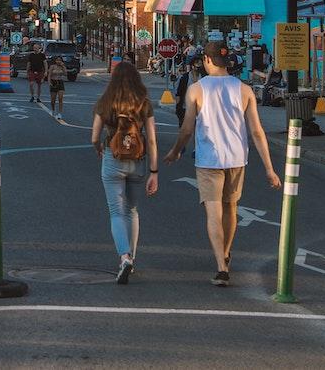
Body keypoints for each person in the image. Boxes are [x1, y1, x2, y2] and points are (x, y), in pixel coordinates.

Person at [164, 41, 281, 287]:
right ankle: (225, 253)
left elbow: (187, 128)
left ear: (207, 60)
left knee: (213, 213)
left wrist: (176, 151)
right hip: (237, 158)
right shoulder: (244, 89)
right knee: (231, 209)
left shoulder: (197, 89)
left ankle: (221, 266)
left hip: (209, 159)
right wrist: (269, 169)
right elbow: (257, 132)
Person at [91, 62, 159, 285]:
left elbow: (94, 136)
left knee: (116, 212)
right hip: (137, 160)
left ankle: (124, 256)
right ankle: (133, 257)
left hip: (113, 157)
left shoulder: (106, 101)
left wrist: (100, 148)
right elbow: (151, 139)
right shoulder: (144, 103)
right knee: (132, 210)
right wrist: (154, 171)